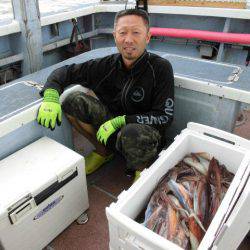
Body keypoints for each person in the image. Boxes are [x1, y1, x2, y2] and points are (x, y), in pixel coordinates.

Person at [37, 8, 174, 181]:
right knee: (72, 101)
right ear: (115, 36)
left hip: (144, 135)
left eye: (136, 33)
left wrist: (123, 120)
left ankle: (142, 168)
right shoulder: (105, 65)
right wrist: (51, 94)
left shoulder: (161, 68)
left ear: (147, 37)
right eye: (122, 33)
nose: (128, 39)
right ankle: (103, 151)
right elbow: (65, 72)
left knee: (131, 132)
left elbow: (165, 117)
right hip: (108, 129)